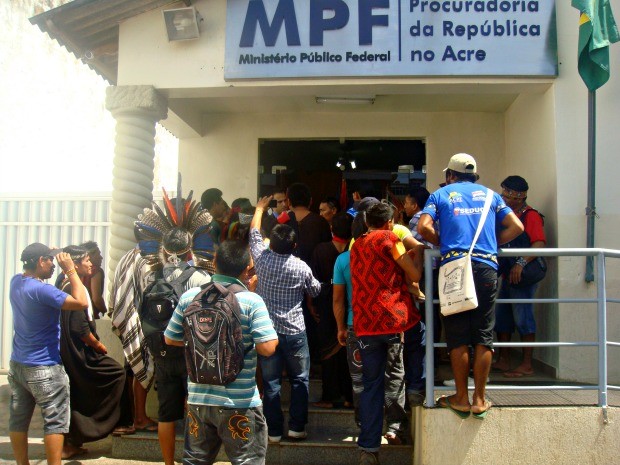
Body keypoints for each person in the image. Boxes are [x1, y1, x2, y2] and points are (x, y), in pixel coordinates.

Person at [418, 153, 523, 420]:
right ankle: (479, 399)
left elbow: (423, 226)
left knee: (457, 334)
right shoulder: (491, 196)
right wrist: (492, 243)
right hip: (486, 267)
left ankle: (461, 398)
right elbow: (517, 226)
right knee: (483, 334)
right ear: (474, 176)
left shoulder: (441, 195)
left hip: (454, 267)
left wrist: (443, 243)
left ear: (449, 176)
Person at [164, 240, 278, 465]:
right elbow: (267, 348)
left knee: (195, 461)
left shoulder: (190, 298)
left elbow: (170, 337)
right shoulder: (251, 301)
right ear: (248, 269)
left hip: (199, 401)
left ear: (214, 263)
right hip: (240, 403)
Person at [134, 191, 213, 465]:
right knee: (194, 411)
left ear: (164, 249)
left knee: (166, 415)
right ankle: (193, 459)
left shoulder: (152, 276)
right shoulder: (201, 277)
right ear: (190, 249)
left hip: (162, 355)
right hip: (191, 354)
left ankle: (168, 462)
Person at [350, 202, 424, 465]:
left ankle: (368, 449)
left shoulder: (356, 244)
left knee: (370, 385)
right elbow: (413, 272)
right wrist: (420, 254)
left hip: (365, 324)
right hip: (392, 320)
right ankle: (398, 424)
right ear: (389, 222)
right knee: (396, 375)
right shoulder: (391, 239)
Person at [249, 196, 322, 442]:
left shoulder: (262, 259)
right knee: (300, 380)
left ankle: (274, 431)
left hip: (267, 331)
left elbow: (254, 234)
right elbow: (315, 291)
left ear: (273, 245)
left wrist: (259, 209)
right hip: (295, 331)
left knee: (270, 383)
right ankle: (297, 427)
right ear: (294, 246)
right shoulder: (301, 267)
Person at [8, 243, 88, 465]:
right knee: (54, 422)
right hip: (45, 367)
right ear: (40, 261)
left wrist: (49, 252)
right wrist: (71, 270)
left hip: (18, 365)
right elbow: (81, 301)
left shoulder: (16, 282)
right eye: (50, 260)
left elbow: (37, 271)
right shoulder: (43, 291)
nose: (54, 265)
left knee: (18, 420)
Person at [57, 245, 128, 459]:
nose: (91, 264)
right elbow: (80, 328)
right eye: (86, 260)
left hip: (72, 351)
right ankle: (112, 425)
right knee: (117, 374)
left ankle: (73, 440)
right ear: (75, 264)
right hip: (80, 352)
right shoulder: (73, 287)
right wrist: (99, 346)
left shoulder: (68, 283)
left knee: (77, 394)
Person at [493, 175, 547, 378]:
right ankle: (504, 359)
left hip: (522, 277)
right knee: (503, 317)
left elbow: (539, 244)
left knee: (523, 317)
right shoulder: (507, 215)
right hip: (508, 275)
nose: (503, 197)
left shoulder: (530, 215)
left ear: (518, 197)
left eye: (507, 194)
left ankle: (526, 364)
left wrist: (520, 263)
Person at [310, 212, 353, 409]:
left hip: (326, 302)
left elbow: (312, 279)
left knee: (327, 350)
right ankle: (349, 396)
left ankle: (329, 395)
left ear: (331, 230)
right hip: (350, 303)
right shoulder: (354, 254)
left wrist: (310, 304)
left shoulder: (321, 250)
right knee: (349, 350)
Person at [79, 241, 107, 318]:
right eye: (98, 254)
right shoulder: (96, 271)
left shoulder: (78, 270)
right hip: (90, 316)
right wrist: (106, 312)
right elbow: (96, 299)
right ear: (89, 255)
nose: (101, 257)